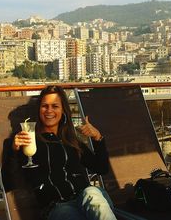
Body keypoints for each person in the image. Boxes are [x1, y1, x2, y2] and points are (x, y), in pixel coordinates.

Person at [12, 85, 116, 220]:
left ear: (63, 111)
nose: (49, 110)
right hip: (57, 207)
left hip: (85, 198)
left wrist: (97, 138)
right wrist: (14, 150)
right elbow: (12, 180)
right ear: (39, 110)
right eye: (45, 106)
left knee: (91, 193)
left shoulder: (71, 141)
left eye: (55, 106)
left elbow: (101, 168)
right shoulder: (27, 141)